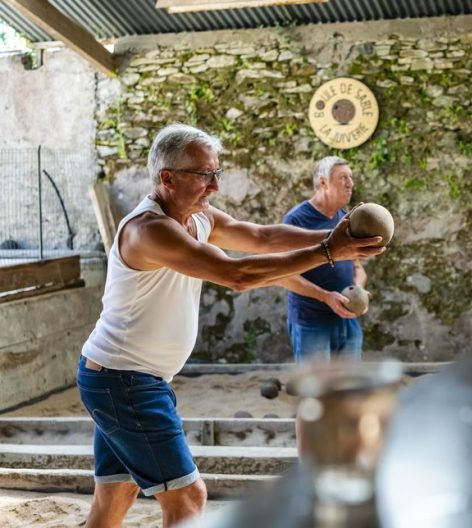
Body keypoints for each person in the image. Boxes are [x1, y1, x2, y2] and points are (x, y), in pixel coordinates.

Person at [77, 125, 383, 528]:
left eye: (216, 173)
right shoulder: (148, 230)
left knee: (117, 494)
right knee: (188, 496)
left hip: (126, 378)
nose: (215, 186)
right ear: (167, 178)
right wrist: (328, 252)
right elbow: (235, 274)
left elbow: (262, 236)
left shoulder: (197, 217)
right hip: (124, 380)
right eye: (205, 175)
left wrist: (332, 236)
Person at [278, 156, 366, 362]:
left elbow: (358, 268)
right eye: (343, 177)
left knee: (350, 387)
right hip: (311, 321)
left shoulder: (345, 218)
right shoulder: (296, 220)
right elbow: (283, 276)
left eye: (351, 177)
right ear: (323, 182)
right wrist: (326, 296)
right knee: (316, 390)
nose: (350, 184)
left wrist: (359, 291)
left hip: (347, 320)